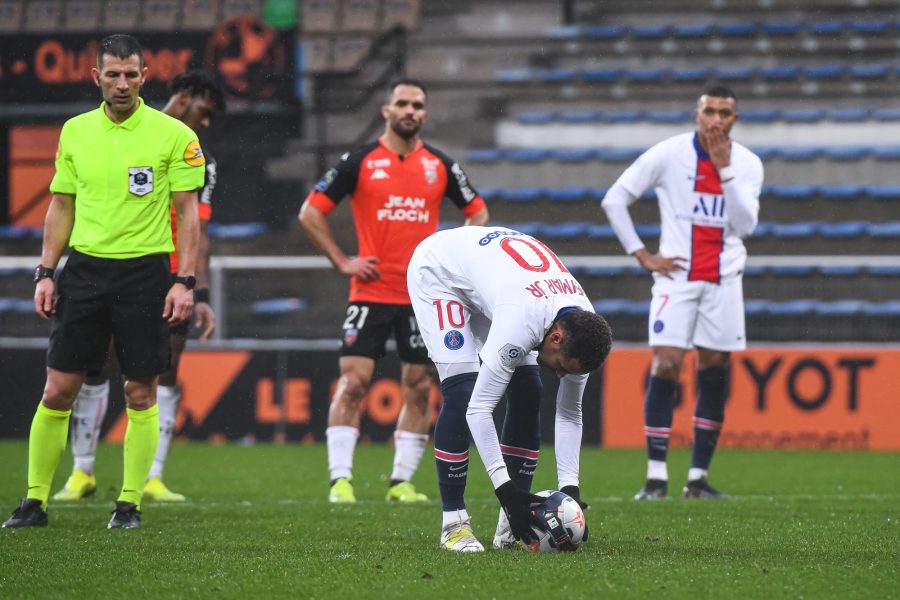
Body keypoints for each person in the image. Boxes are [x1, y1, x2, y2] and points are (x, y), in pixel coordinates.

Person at [2, 34, 204, 529]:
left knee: (140, 392)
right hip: (85, 271)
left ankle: (128, 505)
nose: (122, 83)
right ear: (96, 77)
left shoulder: (173, 135)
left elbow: (188, 215)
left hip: (146, 273)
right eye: (112, 74)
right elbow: (62, 204)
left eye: (130, 74)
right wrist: (47, 272)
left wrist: (185, 281)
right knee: (57, 391)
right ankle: (34, 503)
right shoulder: (74, 132)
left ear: (144, 76)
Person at [299, 78, 489, 504]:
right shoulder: (360, 161)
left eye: (418, 105)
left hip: (420, 295)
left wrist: (453, 260)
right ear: (386, 110)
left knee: (419, 386)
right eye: (402, 103)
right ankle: (340, 481)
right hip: (369, 292)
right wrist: (342, 260)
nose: (410, 111)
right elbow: (310, 212)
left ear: (424, 113)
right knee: (353, 381)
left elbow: (478, 214)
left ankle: (400, 482)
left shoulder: (440, 165)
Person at [51, 70, 226, 504]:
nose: (205, 124)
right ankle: (82, 471)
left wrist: (195, 290)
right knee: (94, 365)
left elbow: (197, 228)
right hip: (110, 267)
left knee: (163, 370)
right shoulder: (110, 135)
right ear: (183, 98)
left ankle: (153, 476)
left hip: (169, 277)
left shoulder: (201, 158)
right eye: (203, 113)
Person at [601, 83, 764, 500]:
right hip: (676, 276)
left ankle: (697, 480)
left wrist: (725, 170)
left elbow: (745, 227)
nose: (715, 120)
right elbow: (614, 199)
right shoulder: (669, 153)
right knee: (666, 363)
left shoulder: (747, 164)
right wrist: (641, 254)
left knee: (713, 369)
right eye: (709, 111)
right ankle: (656, 478)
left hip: (724, 278)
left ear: (735, 120)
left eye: (724, 113)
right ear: (697, 114)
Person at [407, 226, 613, 552]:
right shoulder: (524, 322)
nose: (560, 373)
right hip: (441, 273)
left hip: (501, 285)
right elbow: (479, 410)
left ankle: (514, 527)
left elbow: (570, 413)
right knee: (462, 393)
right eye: (561, 364)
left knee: (530, 389)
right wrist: (506, 491)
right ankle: (454, 524)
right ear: (556, 338)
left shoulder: (583, 329)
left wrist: (569, 488)